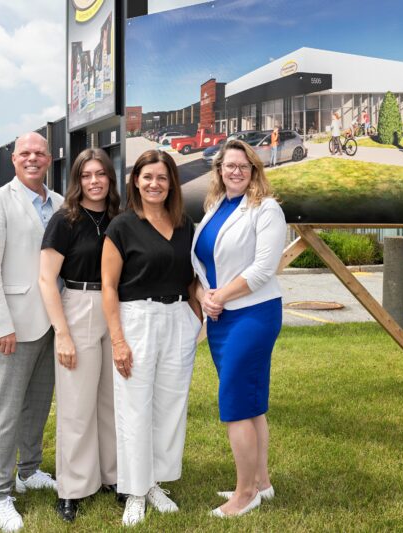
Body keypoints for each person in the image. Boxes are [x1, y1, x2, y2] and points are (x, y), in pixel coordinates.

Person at [101, 149, 202, 527]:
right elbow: (109, 287)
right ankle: (134, 491)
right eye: (147, 177)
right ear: (136, 182)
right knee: (135, 407)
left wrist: (196, 318)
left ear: (171, 183)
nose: (154, 184)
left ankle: (155, 482)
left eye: (162, 178)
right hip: (136, 320)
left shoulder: (185, 225)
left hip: (177, 318)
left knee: (169, 407)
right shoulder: (122, 226)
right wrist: (118, 340)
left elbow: (192, 278)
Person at [0, 132, 64, 532]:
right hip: (13, 324)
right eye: (25, 153)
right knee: (7, 411)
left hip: (53, 323)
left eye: (39, 153)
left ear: (49, 158)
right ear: (13, 159)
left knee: (39, 404)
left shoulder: (59, 202)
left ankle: (29, 471)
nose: (32, 158)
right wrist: (0, 322)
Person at [191, 139, 286, 518]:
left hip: (252, 315)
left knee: (234, 404)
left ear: (254, 171)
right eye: (229, 165)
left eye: (243, 166)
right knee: (251, 402)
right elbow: (200, 263)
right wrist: (204, 293)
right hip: (221, 315)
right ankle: (261, 483)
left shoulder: (267, 209)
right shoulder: (215, 206)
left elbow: (264, 269)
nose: (235, 171)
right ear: (219, 170)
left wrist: (218, 297)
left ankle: (244, 494)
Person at [39, 148, 121, 522]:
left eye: (100, 174)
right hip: (80, 305)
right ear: (77, 180)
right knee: (76, 404)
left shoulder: (122, 217)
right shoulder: (65, 220)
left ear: (110, 177)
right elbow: (46, 279)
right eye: (86, 175)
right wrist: (63, 334)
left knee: (112, 399)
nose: (94, 181)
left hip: (118, 308)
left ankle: (114, 476)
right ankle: (72, 487)